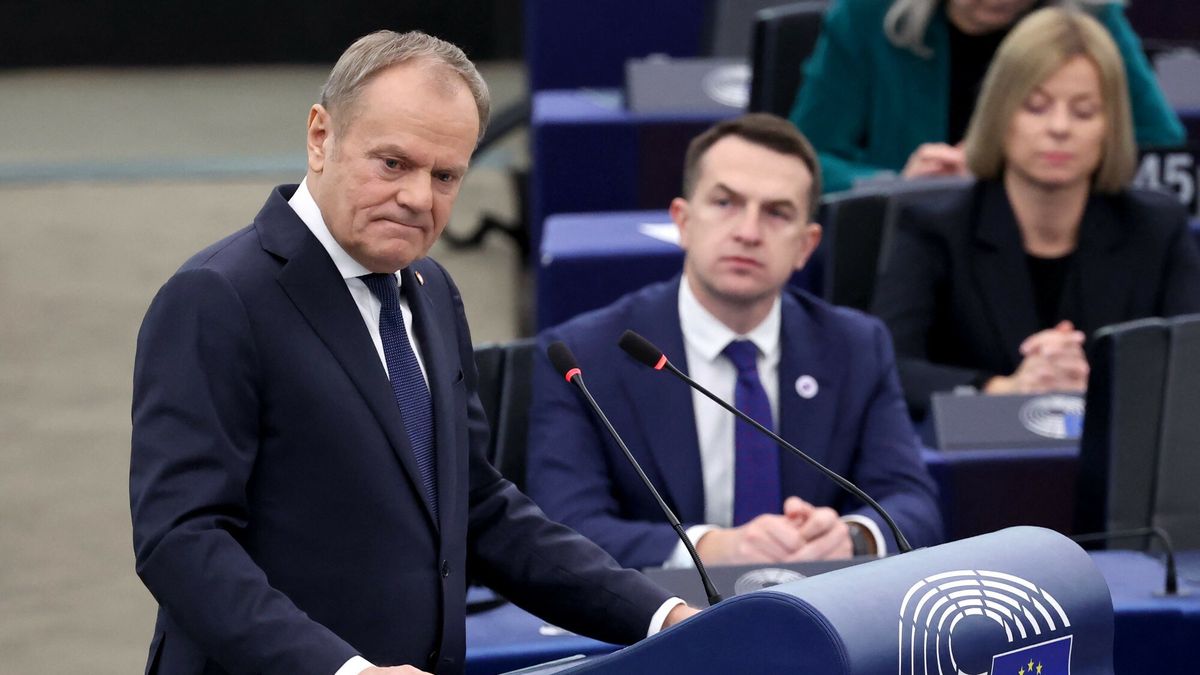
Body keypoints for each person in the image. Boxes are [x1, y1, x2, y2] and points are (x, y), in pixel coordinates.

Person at [129, 30, 696, 675]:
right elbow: (181, 539)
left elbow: (476, 508)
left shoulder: (429, 290)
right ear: (321, 137)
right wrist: (344, 672)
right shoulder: (217, 297)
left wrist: (662, 618)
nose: (419, 199)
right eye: (393, 163)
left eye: (446, 174)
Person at [525, 114, 943, 572]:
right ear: (683, 221)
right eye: (726, 203)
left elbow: (914, 504)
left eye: (777, 213)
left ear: (806, 245)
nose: (748, 231)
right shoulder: (584, 357)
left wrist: (852, 537)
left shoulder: (856, 346)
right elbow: (564, 527)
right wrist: (709, 550)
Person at [870, 7, 1200, 419]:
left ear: (1110, 127)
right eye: (1036, 106)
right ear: (1000, 115)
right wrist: (1005, 389)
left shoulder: (1156, 228)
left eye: (1083, 112)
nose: (1059, 127)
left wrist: (1094, 388)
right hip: (977, 470)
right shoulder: (933, 227)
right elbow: (888, 368)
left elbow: (1189, 367)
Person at [789, 0, 1184, 193]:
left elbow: (1160, 152)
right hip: (901, 241)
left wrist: (1042, 167)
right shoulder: (866, 15)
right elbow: (803, 160)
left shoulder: (1090, 18)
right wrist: (895, 182)